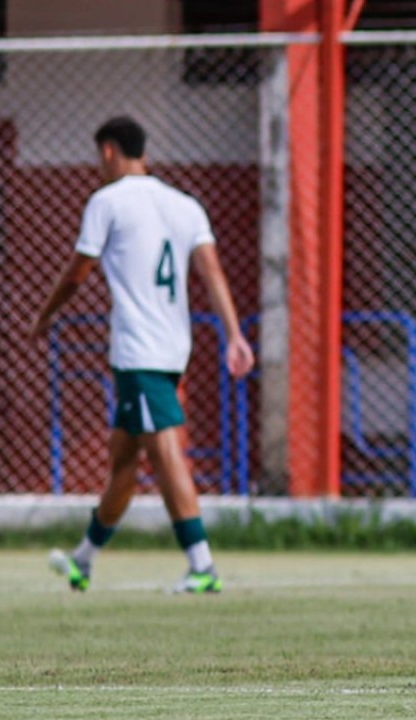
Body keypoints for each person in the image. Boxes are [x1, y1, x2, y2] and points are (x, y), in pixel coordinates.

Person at [30, 116, 255, 594]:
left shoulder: (107, 201)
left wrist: (45, 315)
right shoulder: (184, 204)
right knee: (124, 460)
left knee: (164, 449)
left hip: (138, 348)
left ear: (109, 151)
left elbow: (76, 272)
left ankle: (202, 565)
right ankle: (83, 561)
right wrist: (234, 333)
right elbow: (211, 272)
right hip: (174, 347)